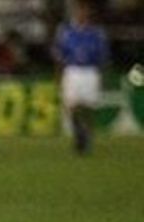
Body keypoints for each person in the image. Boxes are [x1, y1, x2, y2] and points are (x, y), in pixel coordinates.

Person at [54, 0, 110, 154]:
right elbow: (59, 56)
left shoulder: (96, 33)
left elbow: (103, 58)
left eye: (84, 11)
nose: (82, 14)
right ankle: (80, 132)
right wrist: (59, 75)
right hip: (73, 70)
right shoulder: (66, 32)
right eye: (79, 11)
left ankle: (87, 140)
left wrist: (102, 77)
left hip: (90, 71)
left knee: (88, 107)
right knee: (71, 106)